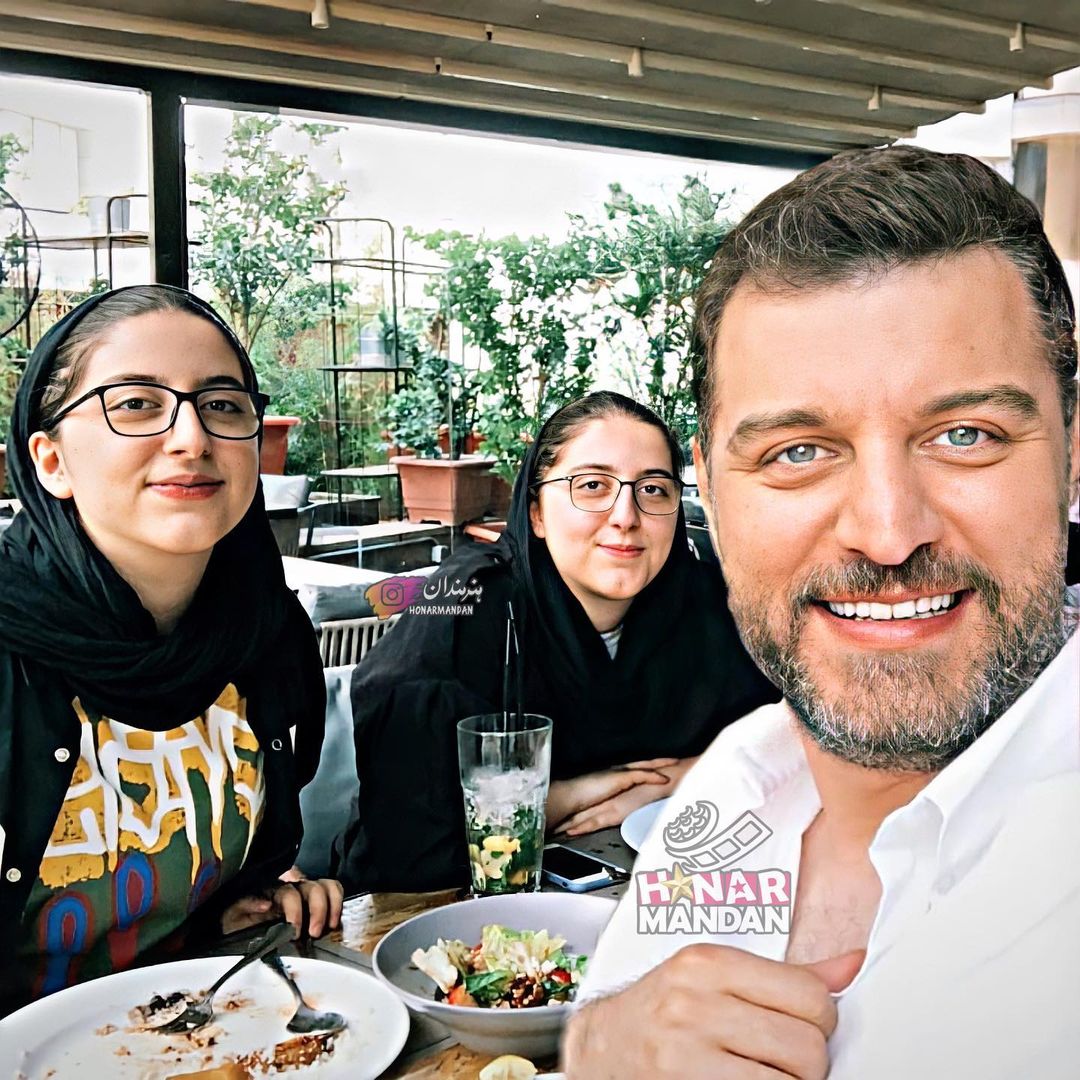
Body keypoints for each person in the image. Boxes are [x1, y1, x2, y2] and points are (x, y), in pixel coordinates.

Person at [563, 147, 1079, 1079]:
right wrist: (601, 1049)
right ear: (712, 490)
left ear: (1073, 454)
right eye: (797, 452)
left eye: (965, 435)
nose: (887, 533)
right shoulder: (735, 782)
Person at [0, 285, 341, 1016]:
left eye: (222, 405)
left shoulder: (268, 640)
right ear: (51, 460)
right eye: (135, 404)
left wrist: (225, 913)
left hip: (191, 1039)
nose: (192, 437)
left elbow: (187, 902)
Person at [336, 391, 778, 892]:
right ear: (537, 514)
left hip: (658, 894)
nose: (626, 516)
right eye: (592, 486)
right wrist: (564, 796)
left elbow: (806, 735)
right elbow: (410, 838)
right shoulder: (466, 606)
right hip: (416, 908)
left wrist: (692, 779)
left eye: (654, 489)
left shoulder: (710, 603)